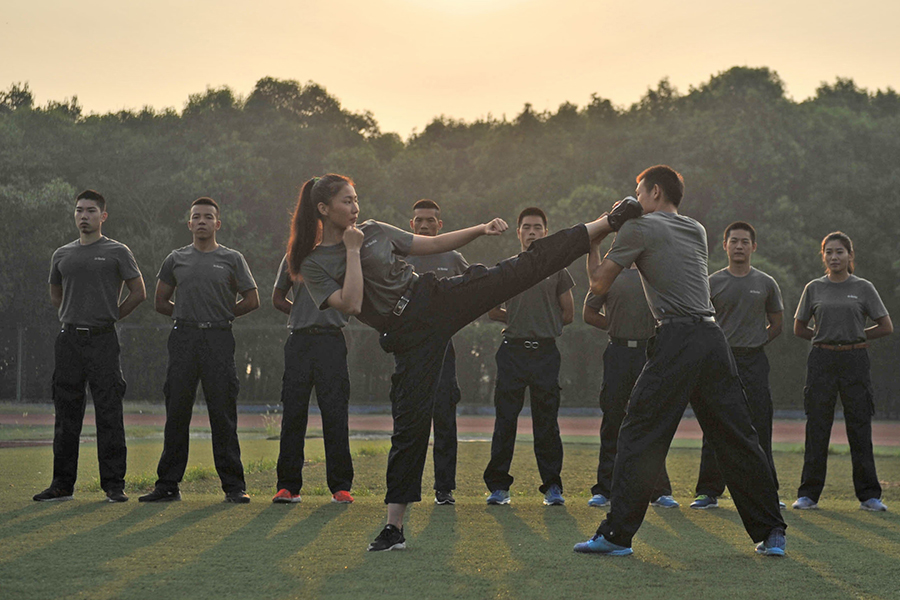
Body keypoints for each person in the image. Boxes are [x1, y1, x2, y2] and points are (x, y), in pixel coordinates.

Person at [289, 174, 610, 552]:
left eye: (356, 199)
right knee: (409, 426)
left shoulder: (374, 229)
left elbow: (434, 243)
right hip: (405, 334)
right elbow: (354, 304)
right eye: (346, 202)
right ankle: (394, 529)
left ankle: (604, 224)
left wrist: (481, 229)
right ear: (323, 209)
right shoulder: (313, 263)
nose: (356, 208)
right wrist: (352, 251)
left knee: (516, 271)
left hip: (431, 297)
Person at [576, 165, 787, 557]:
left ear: (654, 192)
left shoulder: (637, 228)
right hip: (712, 338)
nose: (635, 201)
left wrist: (604, 228)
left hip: (675, 338)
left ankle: (616, 536)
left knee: (639, 433)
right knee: (738, 436)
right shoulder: (697, 229)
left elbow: (598, 284)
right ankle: (772, 532)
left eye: (638, 194)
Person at [139, 197, 260, 504]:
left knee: (222, 414)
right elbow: (159, 301)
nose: (202, 221)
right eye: (197, 217)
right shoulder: (175, 258)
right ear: (189, 223)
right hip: (184, 339)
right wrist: (186, 314)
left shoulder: (232, 258)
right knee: (177, 412)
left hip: (218, 339)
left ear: (218, 224)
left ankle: (234, 487)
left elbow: (252, 299)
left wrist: (223, 314)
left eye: (208, 217)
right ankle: (167, 485)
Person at [34, 190, 146, 503]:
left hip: (103, 340)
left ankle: (113, 485)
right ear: (75, 215)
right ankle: (61, 485)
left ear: (103, 216)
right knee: (66, 413)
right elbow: (56, 295)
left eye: (91, 211)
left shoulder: (117, 251)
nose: (84, 216)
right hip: (68, 340)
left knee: (109, 412)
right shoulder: (62, 254)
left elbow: (139, 292)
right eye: (80, 211)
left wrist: (111, 316)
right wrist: (70, 317)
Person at [792, 231, 893, 512]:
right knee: (817, 428)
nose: (834, 257)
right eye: (829, 252)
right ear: (823, 256)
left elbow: (886, 326)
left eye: (840, 252)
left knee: (859, 428)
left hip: (855, 360)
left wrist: (856, 335)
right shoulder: (814, 287)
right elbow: (799, 329)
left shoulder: (863, 288)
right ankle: (808, 495)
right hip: (821, 360)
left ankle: (869, 496)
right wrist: (825, 335)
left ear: (850, 255)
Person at [482, 207, 574, 506]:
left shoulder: (558, 268)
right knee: (505, 421)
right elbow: (492, 309)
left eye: (537, 227)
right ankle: (498, 487)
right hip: (512, 352)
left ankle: (552, 488)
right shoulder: (508, 267)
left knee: (546, 423)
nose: (532, 231)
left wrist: (540, 324)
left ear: (545, 231)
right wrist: (519, 320)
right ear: (519, 232)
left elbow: (568, 313)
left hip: (545, 353)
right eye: (526, 227)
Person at [690, 222, 784, 510]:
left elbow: (777, 323)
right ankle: (708, 491)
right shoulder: (712, 282)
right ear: (725, 245)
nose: (739, 246)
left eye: (745, 241)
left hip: (754, 360)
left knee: (759, 425)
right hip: (719, 361)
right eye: (734, 241)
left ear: (754, 246)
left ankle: (767, 491)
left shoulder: (766, 283)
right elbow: (700, 322)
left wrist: (755, 341)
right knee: (715, 424)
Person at [583, 263, 677, 510]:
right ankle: (605, 489)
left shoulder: (657, 273)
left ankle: (658, 490)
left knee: (652, 420)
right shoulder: (610, 274)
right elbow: (589, 313)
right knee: (613, 418)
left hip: (650, 353)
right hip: (618, 352)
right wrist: (615, 324)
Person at [271, 253, 354, 505]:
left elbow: (358, 296)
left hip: (332, 339)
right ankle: (288, 487)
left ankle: (340, 487)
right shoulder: (293, 256)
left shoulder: (345, 257)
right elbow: (277, 298)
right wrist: (301, 313)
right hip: (300, 341)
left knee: (335, 414)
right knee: (294, 413)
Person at [404, 199, 469, 506]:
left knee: (444, 419)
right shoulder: (401, 256)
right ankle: (405, 487)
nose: (425, 225)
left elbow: (475, 291)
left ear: (440, 225)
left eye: (431, 220)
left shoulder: (453, 257)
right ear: (411, 225)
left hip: (444, 350)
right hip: (409, 350)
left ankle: (444, 489)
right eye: (420, 221)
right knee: (408, 421)